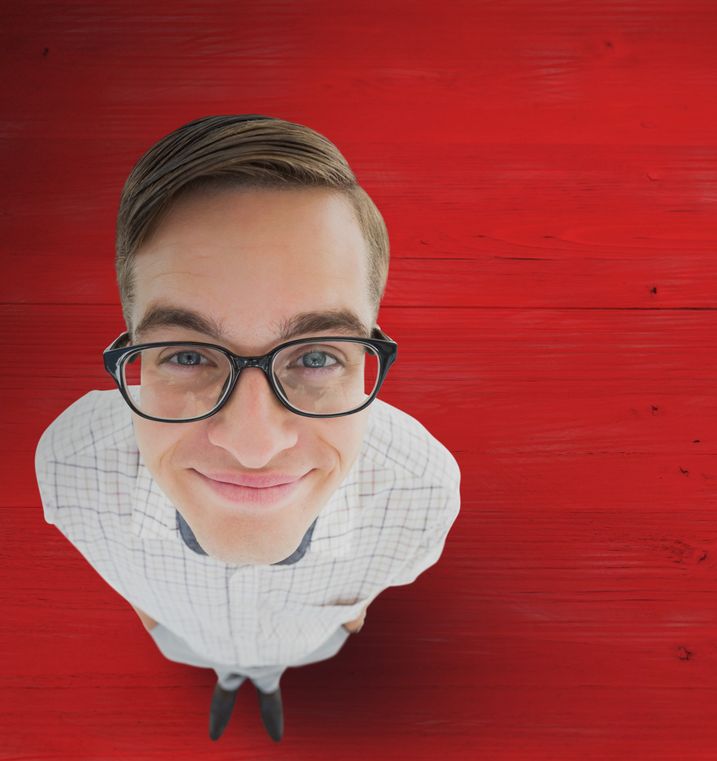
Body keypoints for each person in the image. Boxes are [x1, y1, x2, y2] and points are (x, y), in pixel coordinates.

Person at [33, 114, 461, 742]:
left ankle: (265, 686)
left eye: (316, 357)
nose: (255, 446)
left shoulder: (420, 491)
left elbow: (375, 590)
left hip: (305, 647)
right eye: (187, 355)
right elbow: (111, 568)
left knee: (271, 675)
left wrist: (340, 622)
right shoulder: (72, 466)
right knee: (220, 672)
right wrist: (155, 620)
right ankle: (229, 683)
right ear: (135, 354)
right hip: (183, 641)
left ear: (366, 352)